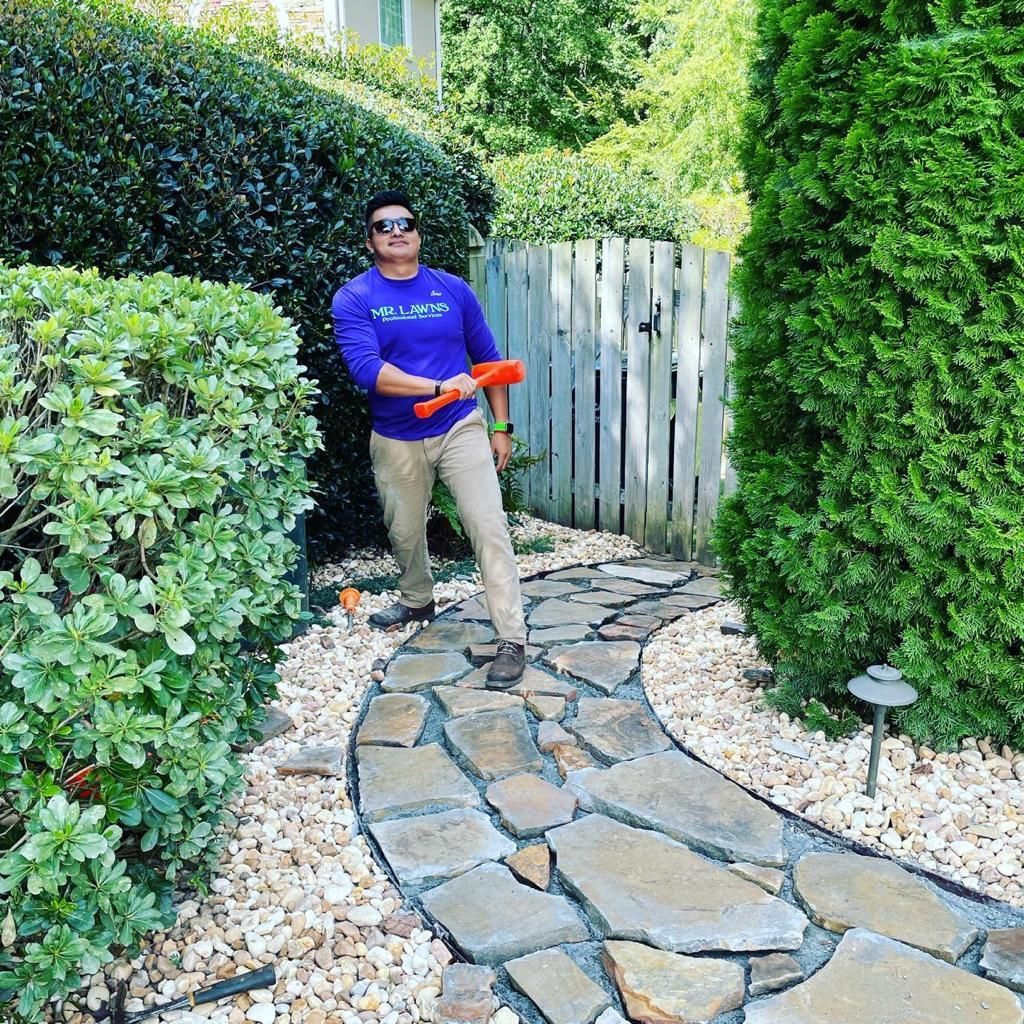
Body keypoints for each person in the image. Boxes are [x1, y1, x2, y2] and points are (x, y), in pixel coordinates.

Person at [331, 190, 527, 685]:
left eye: (405, 223)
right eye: (384, 226)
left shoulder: (452, 289)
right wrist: (437, 385)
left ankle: (512, 637)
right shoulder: (356, 297)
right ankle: (417, 601)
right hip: (396, 434)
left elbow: (488, 361)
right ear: (370, 240)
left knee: (487, 526)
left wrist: (500, 427)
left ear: (418, 233)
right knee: (404, 530)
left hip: (459, 426)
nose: (397, 231)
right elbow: (367, 371)